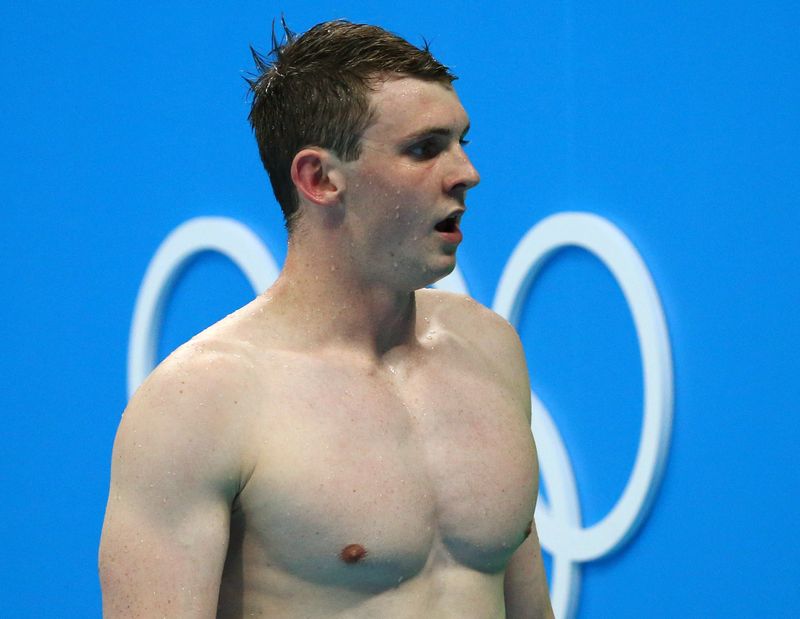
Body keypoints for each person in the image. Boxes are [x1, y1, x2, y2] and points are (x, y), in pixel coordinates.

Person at [99, 19, 554, 618]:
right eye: (425, 148)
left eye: (462, 141)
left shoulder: (488, 350)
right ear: (318, 178)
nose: (466, 173)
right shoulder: (203, 401)